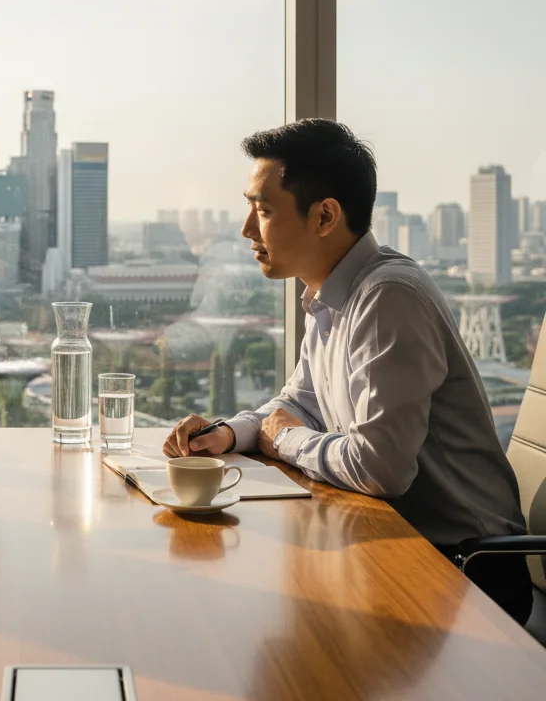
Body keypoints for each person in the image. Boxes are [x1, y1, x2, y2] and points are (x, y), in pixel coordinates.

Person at [163, 119, 532, 624]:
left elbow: (381, 469)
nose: (248, 229)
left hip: (468, 570)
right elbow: (298, 404)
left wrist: (282, 440)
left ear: (325, 217)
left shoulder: (388, 298)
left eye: (263, 210)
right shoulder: (330, 295)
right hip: (400, 545)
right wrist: (229, 433)